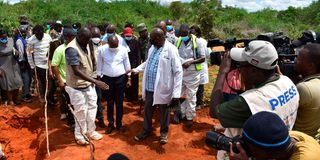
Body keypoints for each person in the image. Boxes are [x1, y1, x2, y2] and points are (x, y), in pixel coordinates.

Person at [209, 40, 300, 159]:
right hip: (272, 150)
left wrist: (222, 72)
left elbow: (214, 111)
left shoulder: (250, 101)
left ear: (253, 71)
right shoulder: (287, 82)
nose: (239, 69)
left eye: (240, 65)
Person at [133, 28, 183, 144]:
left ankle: (163, 133)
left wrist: (176, 93)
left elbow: (178, 71)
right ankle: (146, 130)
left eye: (153, 39)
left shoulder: (171, 49)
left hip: (163, 88)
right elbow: (148, 62)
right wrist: (137, 69)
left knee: (164, 112)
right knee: (147, 110)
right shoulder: (152, 48)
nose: (151, 41)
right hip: (150, 87)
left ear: (160, 38)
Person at [64, 27, 108, 145]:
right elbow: (76, 71)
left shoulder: (86, 43)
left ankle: (91, 131)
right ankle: (80, 136)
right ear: (80, 36)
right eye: (87, 39)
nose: (89, 41)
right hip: (76, 87)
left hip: (88, 85)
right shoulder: (72, 49)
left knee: (92, 109)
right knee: (80, 112)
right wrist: (96, 82)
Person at [229, 111, 320, 160]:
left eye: (247, 146)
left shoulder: (305, 157)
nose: (244, 148)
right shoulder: (284, 139)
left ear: (265, 152)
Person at [97, 35, 131, 134]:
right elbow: (99, 64)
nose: (114, 48)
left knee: (119, 102)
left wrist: (128, 78)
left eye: (116, 46)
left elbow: (127, 63)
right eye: (112, 46)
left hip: (120, 78)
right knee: (110, 102)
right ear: (108, 44)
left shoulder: (123, 49)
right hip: (107, 79)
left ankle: (119, 124)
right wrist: (99, 78)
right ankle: (111, 124)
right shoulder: (102, 50)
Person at [173, 24, 205, 127]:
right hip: (181, 72)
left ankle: (190, 117)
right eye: (181, 35)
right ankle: (180, 114)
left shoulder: (198, 42)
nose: (183, 36)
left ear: (189, 33)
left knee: (191, 95)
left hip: (193, 74)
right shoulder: (178, 41)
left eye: (185, 34)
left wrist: (190, 62)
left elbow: (203, 58)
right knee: (180, 94)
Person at [293, 43, 320, 137]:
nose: (295, 61)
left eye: (299, 59)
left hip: (299, 139)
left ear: (311, 66)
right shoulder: (315, 84)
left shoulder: (304, 88)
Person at [51, 27, 76, 127]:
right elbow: (54, 65)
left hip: (76, 81)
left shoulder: (76, 48)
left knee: (75, 103)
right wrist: (60, 81)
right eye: (72, 37)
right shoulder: (60, 50)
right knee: (70, 103)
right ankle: (72, 123)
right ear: (67, 38)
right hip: (66, 82)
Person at [27, 25, 53, 104]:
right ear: (34, 34)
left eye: (40, 34)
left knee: (50, 82)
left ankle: (49, 97)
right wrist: (32, 66)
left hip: (48, 64)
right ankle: (43, 98)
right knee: (41, 82)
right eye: (37, 35)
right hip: (38, 65)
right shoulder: (31, 40)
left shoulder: (48, 37)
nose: (39, 36)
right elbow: (29, 53)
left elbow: (52, 49)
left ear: (43, 32)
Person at [0, 29, 23, 106]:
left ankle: (15, 99)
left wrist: (16, 52)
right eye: (2, 37)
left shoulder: (11, 40)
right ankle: (10, 100)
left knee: (17, 82)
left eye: (5, 37)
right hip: (3, 66)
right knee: (8, 84)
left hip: (13, 63)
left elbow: (14, 49)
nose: (4, 39)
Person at [190, 25, 210, 110]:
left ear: (197, 33)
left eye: (192, 32)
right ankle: (195, 103)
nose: (190, 34)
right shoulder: (192, 41)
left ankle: (199, 103)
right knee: (194, 86)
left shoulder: (202, 41)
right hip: (194, 66)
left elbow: (207, 54)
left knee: (200, 86)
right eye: (190, 32)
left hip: (201, 66)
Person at [90, 26, 106, 128]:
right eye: (94, 36)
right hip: (90, 77)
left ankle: (99, 118)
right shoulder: (86, 47)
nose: (96, 38)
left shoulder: (104, 46)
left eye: (97, 36)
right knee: (93, 98)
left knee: (99, 98)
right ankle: (98, 118)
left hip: (100, 76)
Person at [123, 27, 141, 102]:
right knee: (125, 80)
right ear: (124, 35)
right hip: (125, 65)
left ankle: (134, 97)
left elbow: (138, 55)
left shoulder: (136, 42)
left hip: (134, 64)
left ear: (132, 35)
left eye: (129, 36)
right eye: (127, 36)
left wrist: (137, 66)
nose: (128, 37)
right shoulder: (122, 43)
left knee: (134, 81)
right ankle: (127, 96)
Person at [15, 25, 32, 102]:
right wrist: (22, 63)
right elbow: (21, 53)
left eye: (24, 32)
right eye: (22, 32)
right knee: (26, 79)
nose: (24, 33)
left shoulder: (26, 39)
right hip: (23, 62)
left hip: (28, 61)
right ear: (19, 32)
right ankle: (25, 95)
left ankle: (27, 93)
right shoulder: (19, 41)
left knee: (29, 78)